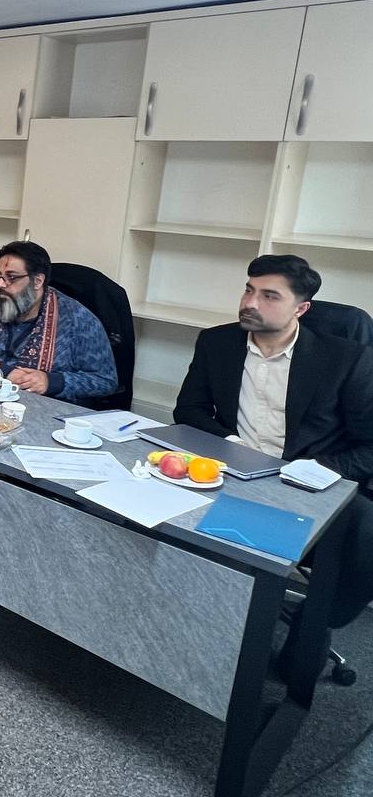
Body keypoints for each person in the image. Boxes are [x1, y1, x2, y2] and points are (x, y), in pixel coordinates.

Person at [173, 255, 373, 665]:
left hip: (310, 482)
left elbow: (369, 445)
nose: (250, 303)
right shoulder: (216, 342)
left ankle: (313, 623)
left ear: (301, 308)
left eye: (269, 296)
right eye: (248, 290)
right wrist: (231, 444)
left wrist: (314, 471)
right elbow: (189, 410)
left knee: (368, 537)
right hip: (234, 471)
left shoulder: (346, 358)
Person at [0, 240, 116, 406]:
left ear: (37, 281)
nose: (0, 285)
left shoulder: (79, 320)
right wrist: (3, 371)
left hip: (45, 410)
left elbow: (105, 380)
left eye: (11, 277)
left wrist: (52, 382)